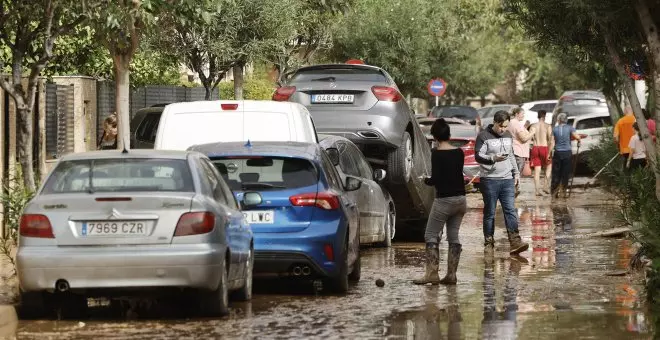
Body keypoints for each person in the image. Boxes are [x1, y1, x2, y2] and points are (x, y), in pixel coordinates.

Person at [414, 118, 467, 285]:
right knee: (453, 237)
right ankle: (451, 275)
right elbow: (455, 175)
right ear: (449, 135)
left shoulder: (436, 154)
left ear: (435, 136)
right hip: (461, 200)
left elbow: (436, 179)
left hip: (444, 200)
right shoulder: (459, 153)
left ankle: (432, 274)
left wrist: (425, 180)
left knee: (430, 235)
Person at [474, 110, 529, 255]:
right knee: (490, 213)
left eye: (506, 126)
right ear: (495, 122)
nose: (503, 129)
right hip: (489, 180)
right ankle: (489, 242)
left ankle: (515, 242)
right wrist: (493, 158)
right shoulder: (483, 136)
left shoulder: (507, 135)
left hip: (507, 180)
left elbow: (511, 154)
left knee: (510, 210)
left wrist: (516, 173)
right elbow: (478, 156)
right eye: (501, 126)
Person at [551, 113, 581, 198]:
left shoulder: (555, 129)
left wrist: (549, 153)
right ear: (566, 120)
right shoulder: (570, 128)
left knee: (556, 173)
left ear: (558, 120)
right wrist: (579, 141)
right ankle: (563, 191)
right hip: (567, 153)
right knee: (565, 173)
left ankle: (554, 192)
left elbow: (552, 142)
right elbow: (577, 137)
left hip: (557, 153)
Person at [507, 107, 535, 196]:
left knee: (514, 175)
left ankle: (511, 195)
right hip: (518, 152)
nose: (524, 115)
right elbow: (523, 139)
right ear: (517, 114)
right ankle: (512, 195)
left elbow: (516, 134)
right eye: (522, 113)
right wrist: (532, 132)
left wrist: (525, 127)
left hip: (515, 151)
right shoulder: (516, 123)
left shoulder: (512, 122)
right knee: (516, 175)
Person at [529, 110, 554, 196]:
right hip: (544, 147)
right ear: (544, 116)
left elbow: (530, 139)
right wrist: (550, 152)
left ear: (538, 116)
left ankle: (537, 191)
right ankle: (545, 186)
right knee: (549, 166)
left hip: (535, 148)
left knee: (537, 170)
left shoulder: (533, 126)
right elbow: (550, 140)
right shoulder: (547, 126)